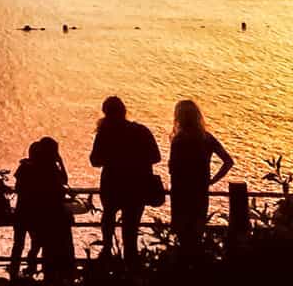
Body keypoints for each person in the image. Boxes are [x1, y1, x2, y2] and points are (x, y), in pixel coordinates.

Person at [90, 95, 162, 263]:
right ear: (124, 111)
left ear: (105, 113)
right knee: (131, 227)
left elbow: (94, 161)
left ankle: (107, 251)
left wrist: (113, 159)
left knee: (108, 216)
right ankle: (131, 262)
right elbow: (156, 157)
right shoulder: (141, 130)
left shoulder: (104, 134)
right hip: (137, 186)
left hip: (112, 184)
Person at [168, 98, 234, 249]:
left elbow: (173, 169)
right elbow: (228, 161)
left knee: (182, 235)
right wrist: (212, 181)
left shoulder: (179, 140)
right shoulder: (207, 138)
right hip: (200, 191)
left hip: (181, 192)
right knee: (197, 233)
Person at [12, 137, 70, 281]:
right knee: (38, 242)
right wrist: (60, 162)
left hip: (22, 211)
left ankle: (16, 272)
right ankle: (31, 268)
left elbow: (18, 188)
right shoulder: (49, 169)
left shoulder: (25, 167)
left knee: (20, 243)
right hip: (37, 213)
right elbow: (64, 180)